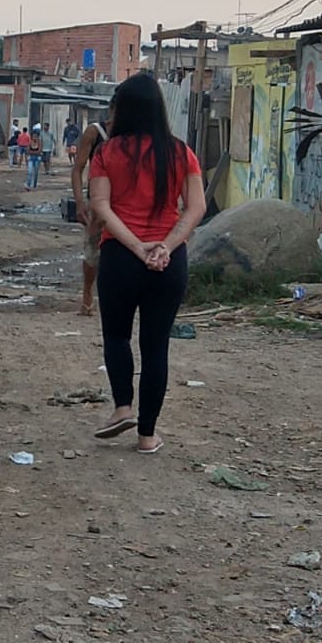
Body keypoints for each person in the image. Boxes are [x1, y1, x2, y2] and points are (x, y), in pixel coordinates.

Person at [89, 73, 206, 455]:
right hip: (168, 263)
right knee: (156, 348)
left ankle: (122, 407)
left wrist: (138, 247)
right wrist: (165, 247)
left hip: (121, 258)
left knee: (117, 336)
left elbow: (101, 207)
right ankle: (146, 436)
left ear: (122, 109)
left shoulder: (106, 154)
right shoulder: (180, 152)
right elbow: (196, 208)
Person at [71, 100, 114, 316]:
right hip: (97, 204)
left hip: (124, 204)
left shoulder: (134, 135)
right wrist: (80, 202)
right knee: (92, 250)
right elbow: (77, 169)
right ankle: (88, 294)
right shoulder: (95, 133)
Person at [23, 124, 43, 190]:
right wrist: (34, 153)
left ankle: (34, 184)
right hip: (31, 158)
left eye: (35, 137)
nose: (34, 138)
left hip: (37, 159)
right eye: (33, 136)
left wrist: (33, 152)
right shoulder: (30, 142)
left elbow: (39, 151)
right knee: (30, 171)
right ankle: (28, 184)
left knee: (36, 173)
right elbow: (28, 151)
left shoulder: (39, 142)